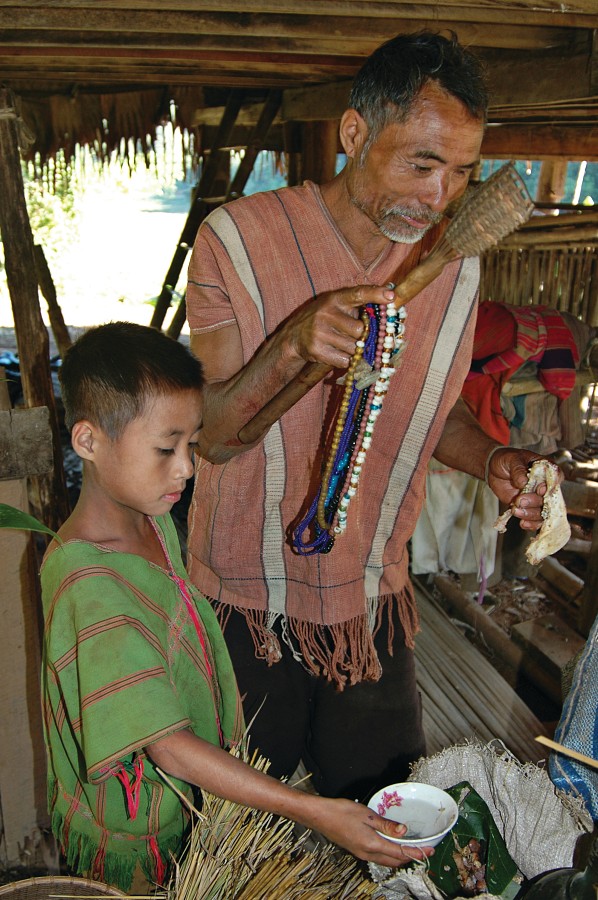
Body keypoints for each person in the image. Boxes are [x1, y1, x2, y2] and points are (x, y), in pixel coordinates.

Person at [184, 32, 549, 803]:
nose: (439, 196)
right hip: (251, 600)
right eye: (420, 164)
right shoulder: (239, 243)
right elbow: (213, 436)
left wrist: (491, 461)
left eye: (460, 173)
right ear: (354, 134)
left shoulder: (455, 262)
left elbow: (427, 410)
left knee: (386, 825)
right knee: (248, 835)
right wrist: (292, 345)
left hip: (373, 592)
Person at [41, 322, 432, 894]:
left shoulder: (148, 521)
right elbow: (168, 748)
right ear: (88, 442)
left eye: (191, 445)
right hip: (139, 835)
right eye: (164, 448)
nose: (186, 468)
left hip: (182, 810)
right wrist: (314, 810)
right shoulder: (90, 585)